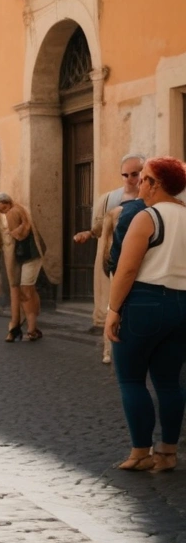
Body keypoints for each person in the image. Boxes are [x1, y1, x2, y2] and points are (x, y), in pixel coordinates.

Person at [105, 157, 186, 473]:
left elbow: (126, 269)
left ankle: (141, 452)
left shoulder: (146, 217)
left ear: (157, 184)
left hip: (144, 301)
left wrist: (113, 310)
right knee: (168, 382)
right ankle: (167, 452)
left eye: (146, 178)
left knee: (131, 379)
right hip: (182, 305)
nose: (139, 182)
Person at [74, 154, 145, 336]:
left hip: (139, 258)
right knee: (111, 305)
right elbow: (99, 229)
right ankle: (110, 346)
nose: (130, 179)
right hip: (112, 258)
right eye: (125, 175)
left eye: (135, 174)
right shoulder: (109, 199)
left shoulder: (150, 198)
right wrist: (88, 234)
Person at [0, 193, 47, 342]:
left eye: (4, 207)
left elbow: (22, 233)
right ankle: (26, 327)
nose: (3, 211)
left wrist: (13, 233)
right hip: (18, 257)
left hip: (29, 256)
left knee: (25, 289)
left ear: (8, 203)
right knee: (24, 290)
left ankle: (29, 328)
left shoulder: (16, 212)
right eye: (0, 209)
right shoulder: (7, 215)